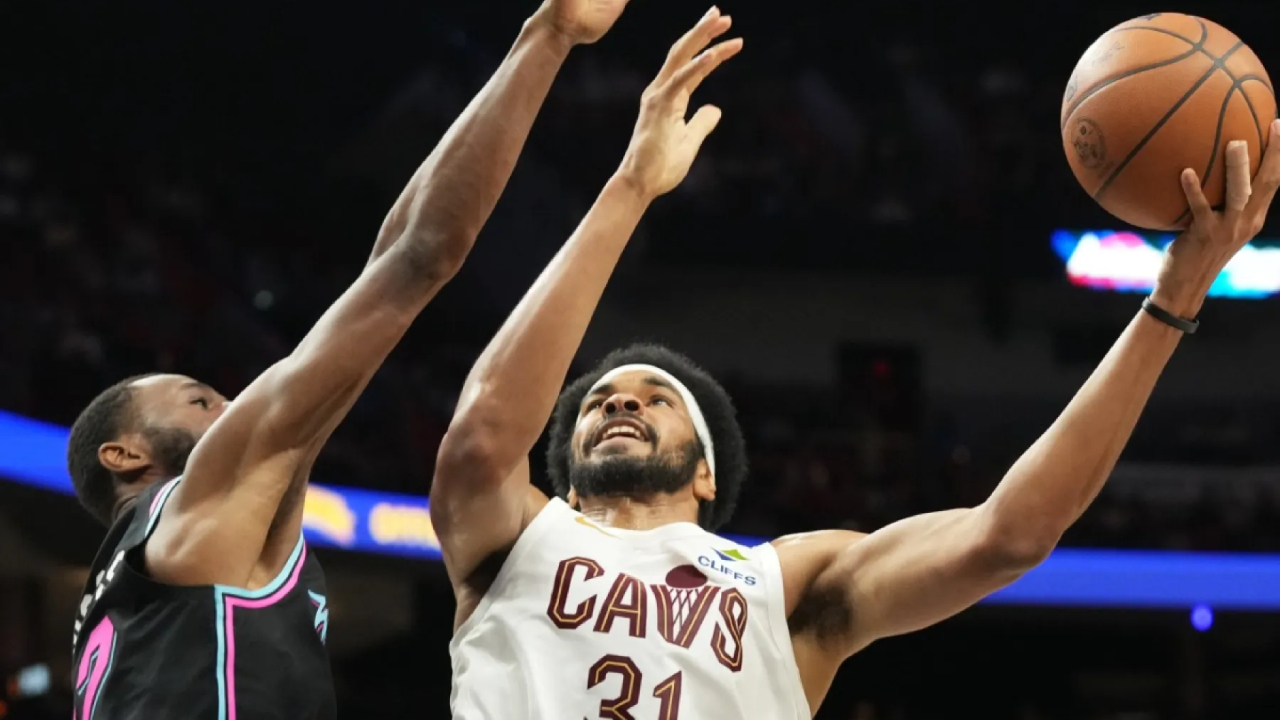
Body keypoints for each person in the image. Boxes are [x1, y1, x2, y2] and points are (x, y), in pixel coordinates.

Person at [429, 5, 1280, 713]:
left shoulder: (787, 583)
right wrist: (631, 189)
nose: (619, 403)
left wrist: (1174, 302)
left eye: (655, 398)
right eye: (598, 403)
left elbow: (1008, 536)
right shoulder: (516, 535)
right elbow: (478, 441)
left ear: (708, 478)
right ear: (568, 482)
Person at [64, 1, 634, 717]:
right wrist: (548, 37)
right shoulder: (206, 503)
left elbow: (384, 264)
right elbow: (419, 256)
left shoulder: (116, 600)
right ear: (124, 454)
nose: (235, 405)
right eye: (200, 400)